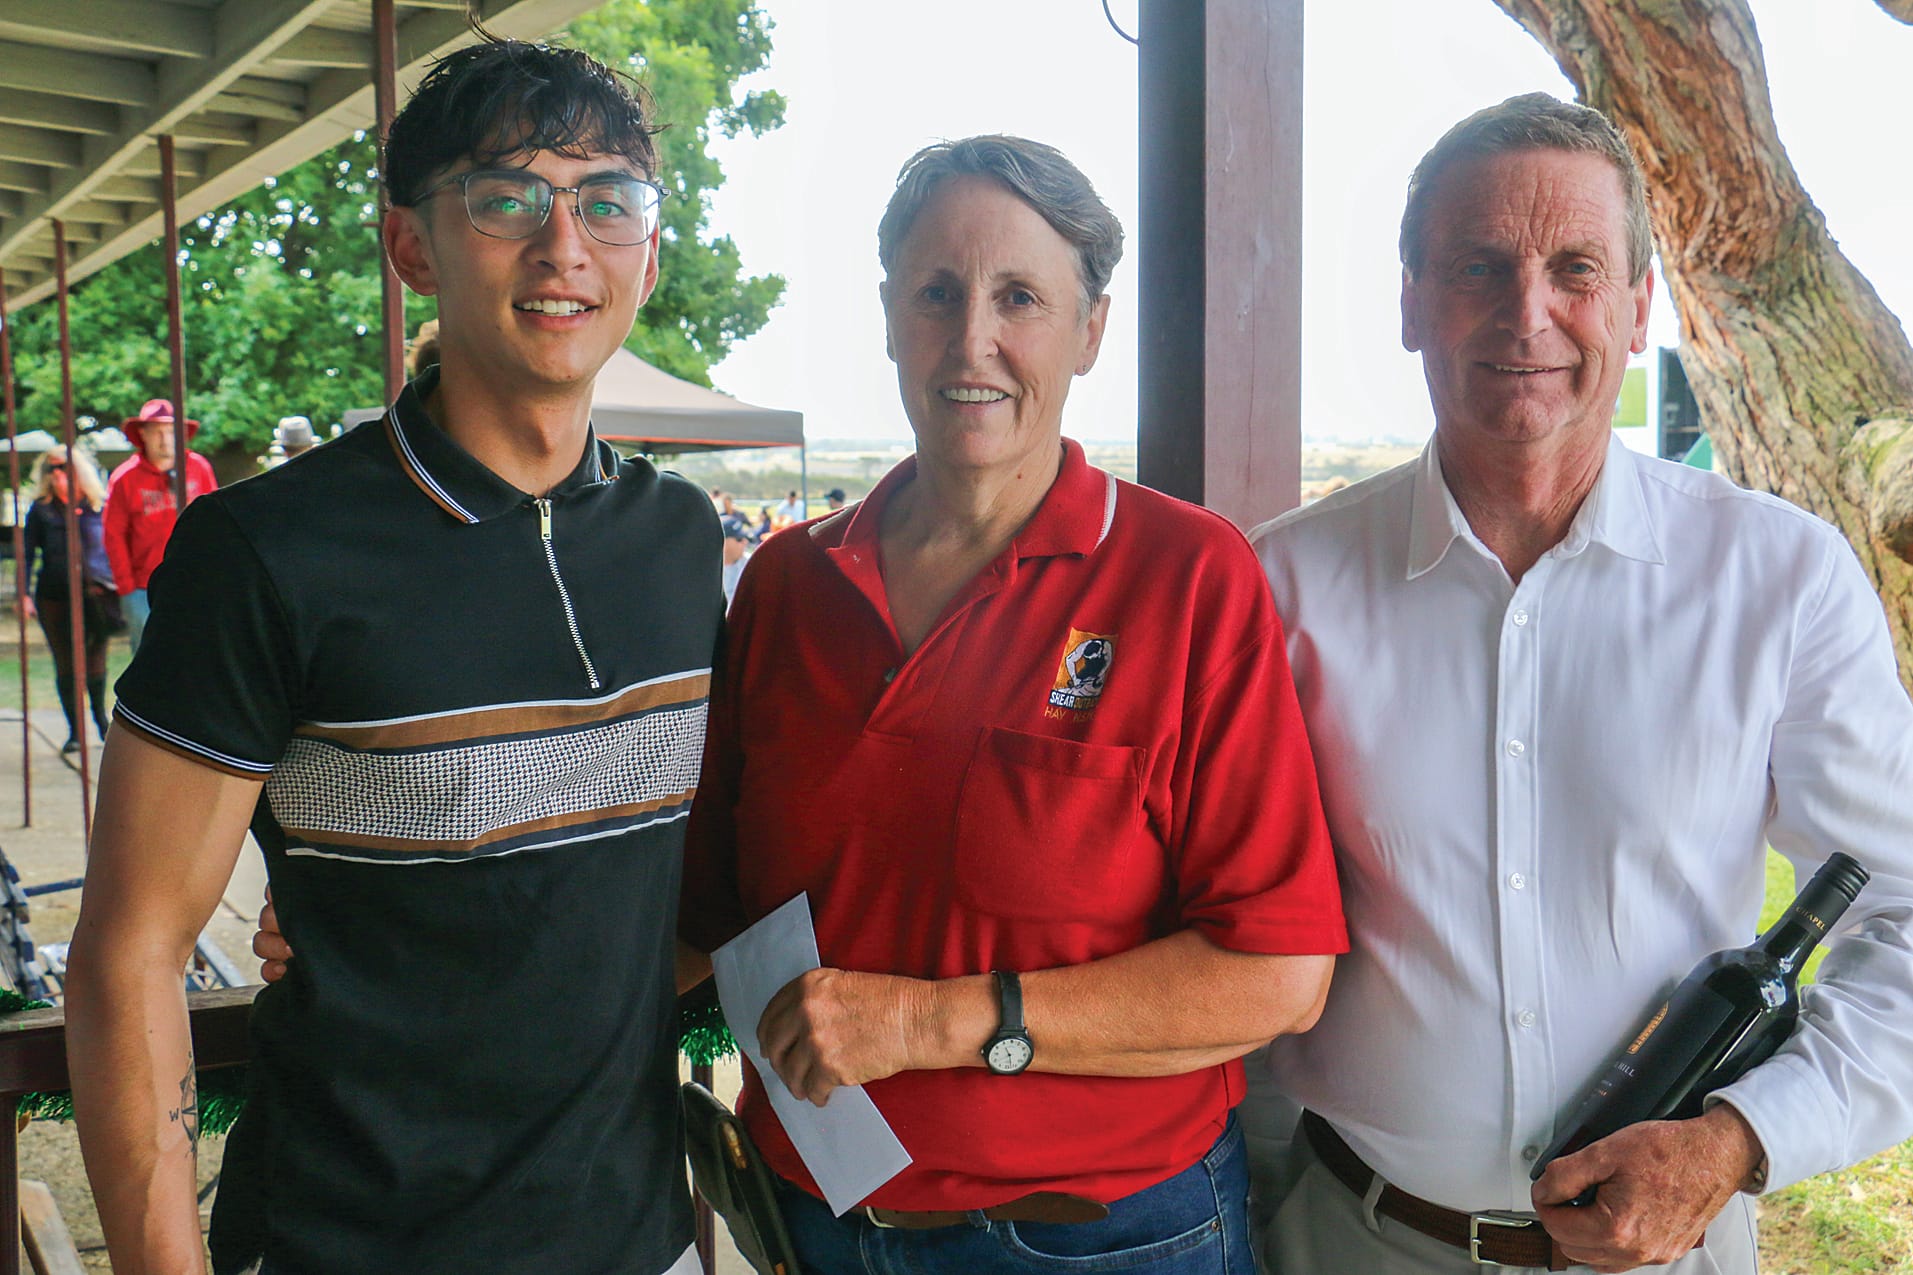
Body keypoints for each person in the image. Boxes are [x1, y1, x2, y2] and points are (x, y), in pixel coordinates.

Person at [66, 37, 714, 1275]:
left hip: (639, 1240)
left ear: (647, 246)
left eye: (606, 201)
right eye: (506, 195)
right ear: (410, 246)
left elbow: (663, 886)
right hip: (345, 1241)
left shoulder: (678, 543)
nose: (563, 244)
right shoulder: (267, 548)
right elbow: (131, 949)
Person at [1246, 92, 1913, 1274]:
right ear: (1408, 301)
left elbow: (1906, 914)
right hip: (1349, 1241)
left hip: (1672, 1252)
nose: (1527, 313)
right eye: (1475, 266)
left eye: (1575, 268)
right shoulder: (1277, 589)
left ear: (1637, 305)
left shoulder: (1778, 580)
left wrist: (1741, 1139)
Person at [677, 135, 1347, 1275]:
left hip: (1104, 1241)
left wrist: (923, 1023)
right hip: (812, 1227)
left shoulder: (1183, 575)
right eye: (936, 293)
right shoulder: (787, 588)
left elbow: (1276, 977)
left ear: (1089, 332)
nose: (971, 338)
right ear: (888, 318)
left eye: (1019, 297)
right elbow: (696, 919)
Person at [20, 445, 116, 753]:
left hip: (96, 593)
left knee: (96, 658)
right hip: (54, 594)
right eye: (52, 469)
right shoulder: (41, 509)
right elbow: (27, 554)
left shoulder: (96, 505)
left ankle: (101, 720)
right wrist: (23, 594)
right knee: (66, 662)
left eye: (63, 466)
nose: (58, 473)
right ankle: (75, 730)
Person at [103, 398, 218, 653]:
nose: (165, 440)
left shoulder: (199, 468)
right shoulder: (125, 478)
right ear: (142, 434)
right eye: (157, 432)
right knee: (148, 655)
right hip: (143, 586)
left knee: (197, 652)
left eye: (170, 432)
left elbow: (216, 524)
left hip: (194, 580)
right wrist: (126, 586)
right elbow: (114, 534)